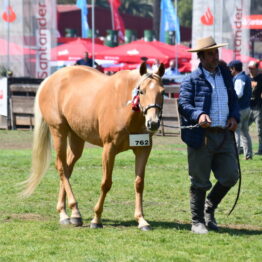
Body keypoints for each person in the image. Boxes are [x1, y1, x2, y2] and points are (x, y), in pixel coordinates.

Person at [178, 36, 240, 234]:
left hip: (224, 135)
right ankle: (197, 222)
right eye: (211, 53)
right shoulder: (191, 79)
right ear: (201, 57)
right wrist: (199, 114)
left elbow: (233, 101)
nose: (215, 56)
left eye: (216, 52)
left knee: (230, 176)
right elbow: (184, 104)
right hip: (201, 137)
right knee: (200, 181)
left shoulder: (226, 75)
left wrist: (234, 117)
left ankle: (209, 207)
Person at [228, 60, 252, 160]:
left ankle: (235, 155)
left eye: (230, 69)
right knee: (245, 133)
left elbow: (239, 93)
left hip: (240, 109)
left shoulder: (239, 79)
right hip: (246, 108)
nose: (229, 71)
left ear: (233, 68)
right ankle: (248, 155)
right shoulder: (246, 77)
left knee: (236, 132)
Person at [247, 60, 262, 155]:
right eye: (249, 68)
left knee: (260, 130)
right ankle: (242, 148)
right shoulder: (247, 78)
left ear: (257, 68)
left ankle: (261, 150)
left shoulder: (261, 78)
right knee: (242, 127)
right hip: (248, 108)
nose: (250, 70)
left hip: (258, 108)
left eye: (252, 68)